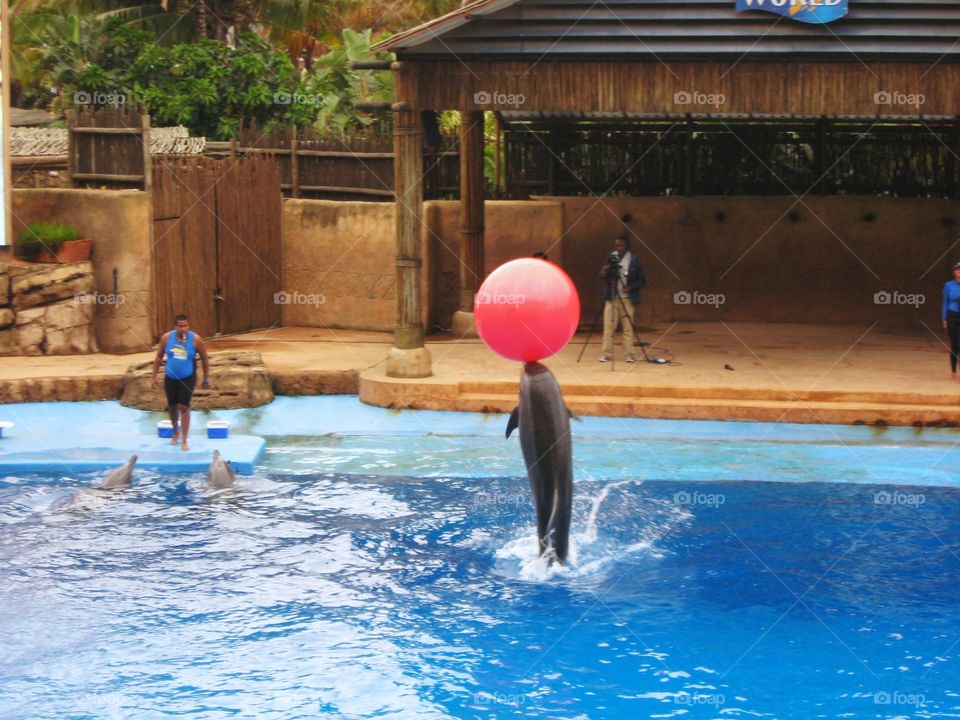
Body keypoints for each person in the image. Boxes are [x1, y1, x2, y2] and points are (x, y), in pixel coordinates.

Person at [151, 314, 210, 451]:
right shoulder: (166, 338)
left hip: (188, 377)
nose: (183, 328)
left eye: (186, 326)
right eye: (180, 326)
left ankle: (184, 439)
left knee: (184, 407)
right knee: (172, 407)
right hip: (170, 377)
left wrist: (206, 377)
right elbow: (159, 357)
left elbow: (205, 358)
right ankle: (175, 433)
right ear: (175, 326)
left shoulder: (195, 339)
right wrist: (153, 377)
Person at [599, 235, 646, 363]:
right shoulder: (611, 258)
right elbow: (602, 275)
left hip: (627, 299)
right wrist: (605, 270)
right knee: (608, 327)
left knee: (628, 328)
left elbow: (642, 281)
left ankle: (629, 354)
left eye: (622, 246)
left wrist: (630, 287)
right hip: (612, 297)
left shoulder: (634, 260)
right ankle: (606, 354)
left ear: (627, 246)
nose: (619, 248)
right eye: (617, 246)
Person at [943, 262, 960, 380]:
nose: (959, 271)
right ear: (954, 272)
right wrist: (944, 318)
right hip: (952, 316)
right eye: (957, 269)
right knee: (955, 345)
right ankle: (954, 371)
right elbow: (945, 302)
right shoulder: (948, 285)